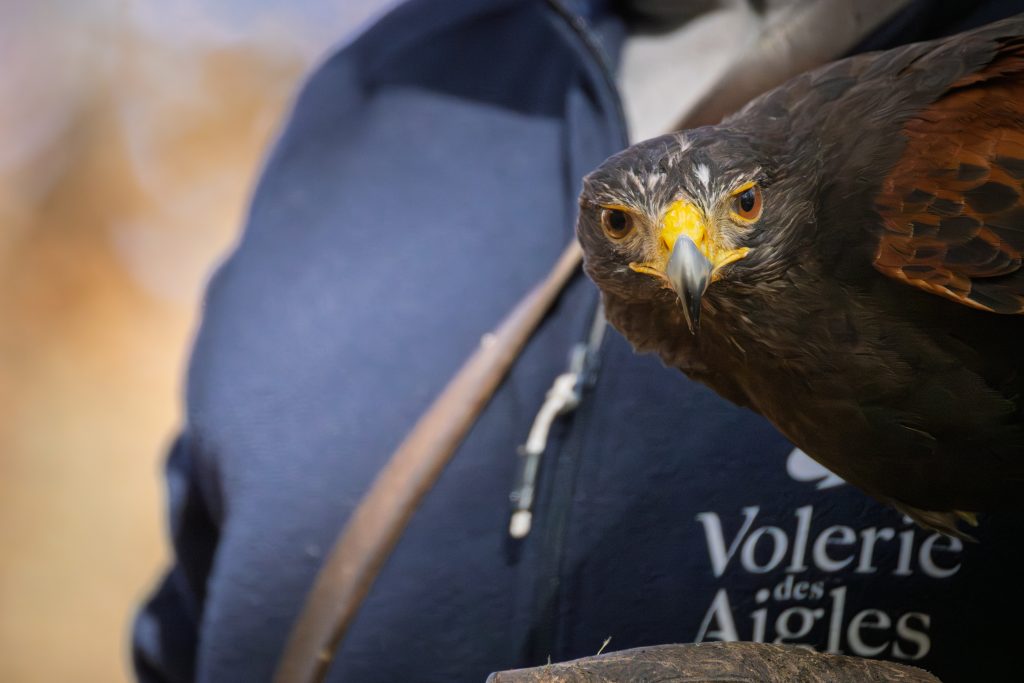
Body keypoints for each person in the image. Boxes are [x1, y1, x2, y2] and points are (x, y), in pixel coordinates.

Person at [133, 1, 1024, 681]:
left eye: (741, 208)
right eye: (629, 230)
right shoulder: (367, 97)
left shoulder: (953, 124)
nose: (686, 258)